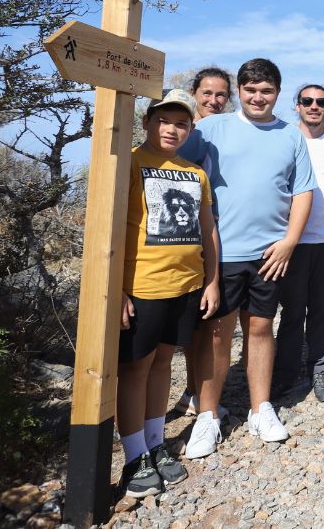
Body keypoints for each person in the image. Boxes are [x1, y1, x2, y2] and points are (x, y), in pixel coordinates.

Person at [183, 58, 315, 459]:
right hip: (222, 253)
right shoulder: (210, 128)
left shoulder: (291, 136)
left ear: (277, 93)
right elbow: (174, 166)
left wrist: (290, 241)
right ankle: (208, 416)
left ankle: (261, 408)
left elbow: (302, 191)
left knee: (260, 329)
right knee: (218, 335)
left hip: (270, 254)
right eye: (251, 89)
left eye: (267, 90)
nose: (258, 97)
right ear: (240, 91)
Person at [118, 90, 219, 497]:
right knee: (135, 368)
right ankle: (133, 454)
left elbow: (207, 228)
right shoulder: (127, 163)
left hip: (185, 285)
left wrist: (211, 280)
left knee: (163, 364)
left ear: (190, 129)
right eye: (164, 120)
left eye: (181, 123)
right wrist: (116, 290)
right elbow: (106, 227)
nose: (171, 129)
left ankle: (156, 443)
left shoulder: (194, 173)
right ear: (147, 122)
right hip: (142, 285)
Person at [274, 85, 324, 403]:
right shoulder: (284, 137)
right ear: (297, 106)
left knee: (321, 308)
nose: (314, 106)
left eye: (321, 102)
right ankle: (285, 373)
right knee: (292, 310)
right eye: (307, 101)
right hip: (292, 241)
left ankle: (320, 369)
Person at [176, 67, 231, 417]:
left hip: (212, 238)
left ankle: (195, 391)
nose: (213, 100)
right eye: (207, 93)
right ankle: (192, 392)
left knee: (203, 321)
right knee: (194, 324)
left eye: (221, 95)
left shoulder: (217, 132)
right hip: (182, 241)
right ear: (194, 93)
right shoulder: (186, 134)